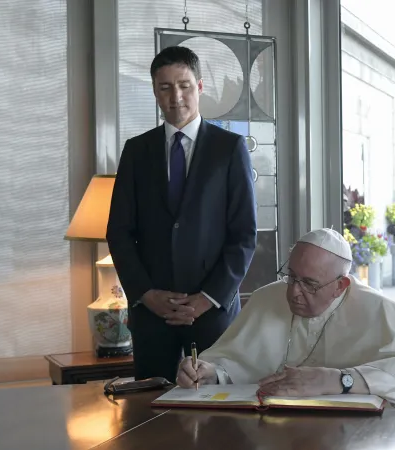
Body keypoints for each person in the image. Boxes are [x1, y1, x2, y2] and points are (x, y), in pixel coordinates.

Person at [106, 46, 257, 382]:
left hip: (211, 314)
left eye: (184, 85)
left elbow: (244, 235)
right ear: (155, 92)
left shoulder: (230, 149)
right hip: (151, 315)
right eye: (165, 87)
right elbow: (118, 232)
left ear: (199, 87)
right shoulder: (136, 151)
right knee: (149, 417)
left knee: (217, 417)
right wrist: (146, 294)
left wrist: (207, 298)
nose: (176, 97)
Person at [176, 228, 395, 413]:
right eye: (291, 277)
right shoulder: (267, 298)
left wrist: (336, 380)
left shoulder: (378, 309)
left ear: (341, 285)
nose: (293, 292)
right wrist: (210, 372)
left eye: (309, 284)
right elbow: (233, 362)